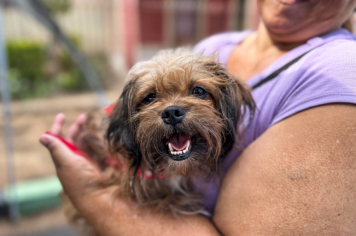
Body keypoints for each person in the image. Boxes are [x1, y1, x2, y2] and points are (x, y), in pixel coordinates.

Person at [40, 0, 356, 235]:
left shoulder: (341, 70)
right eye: (151, 98)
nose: (173, 109)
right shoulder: (215, 46)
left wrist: (90, 194)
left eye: (199, 93)